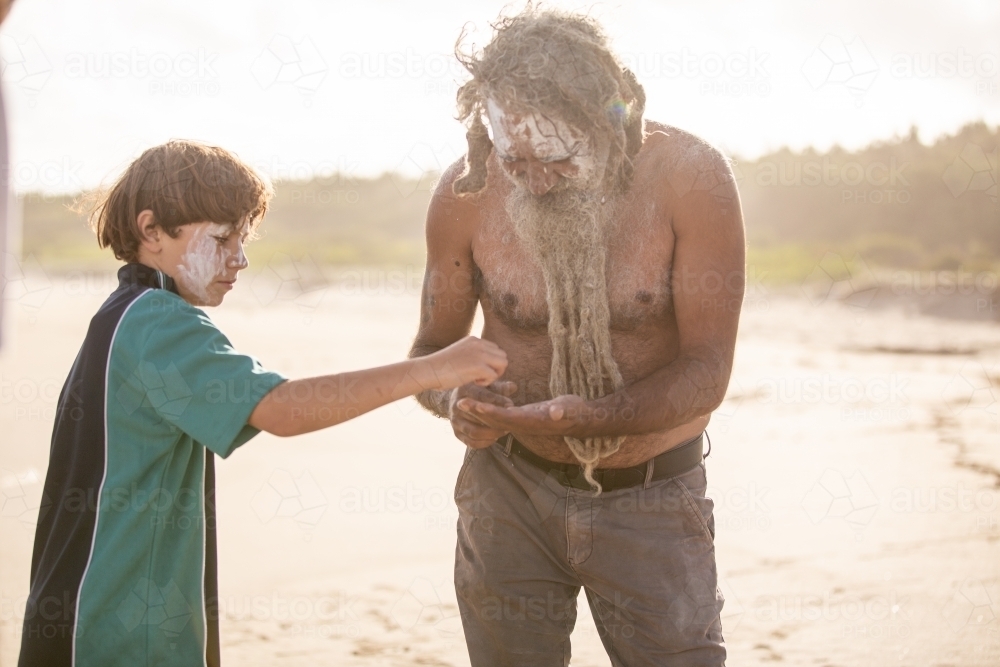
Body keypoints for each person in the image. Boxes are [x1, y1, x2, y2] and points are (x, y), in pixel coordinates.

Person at [18, 140, 507, 667]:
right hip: (118, 628)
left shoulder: (122, 315)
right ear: (151, 230)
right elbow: (282, 409)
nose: (241, 258)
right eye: (223, 239)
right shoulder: (160, 323)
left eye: (243, 239)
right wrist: (432, 368)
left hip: (83, 609)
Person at [409, 8, 745, 666]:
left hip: (652, 498)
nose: (533, 179)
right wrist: (457, 405)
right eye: (516, 160)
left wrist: (592, 417)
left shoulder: (692, 179)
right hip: (506, 491)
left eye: (557, 161)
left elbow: (709, 371)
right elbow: (428, 356)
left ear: (608, 119)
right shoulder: (466, 191)